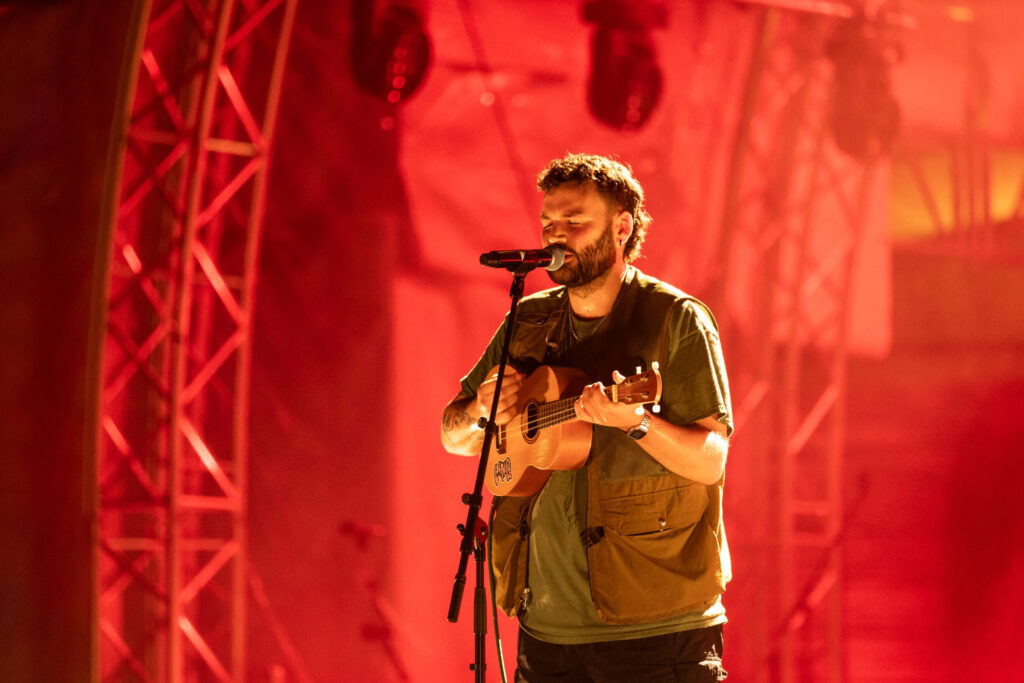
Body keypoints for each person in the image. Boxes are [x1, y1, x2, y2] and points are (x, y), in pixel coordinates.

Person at [441, 153, 733, 682]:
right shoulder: (528, 319)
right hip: (547, 627)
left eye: (575, 223)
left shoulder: (676, 319)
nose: (557, 237)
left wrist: (637, 423)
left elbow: (711, 460)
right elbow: (453, 434)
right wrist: (482, 409)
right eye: (549, 223)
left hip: (658, 630)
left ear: (622, 227)